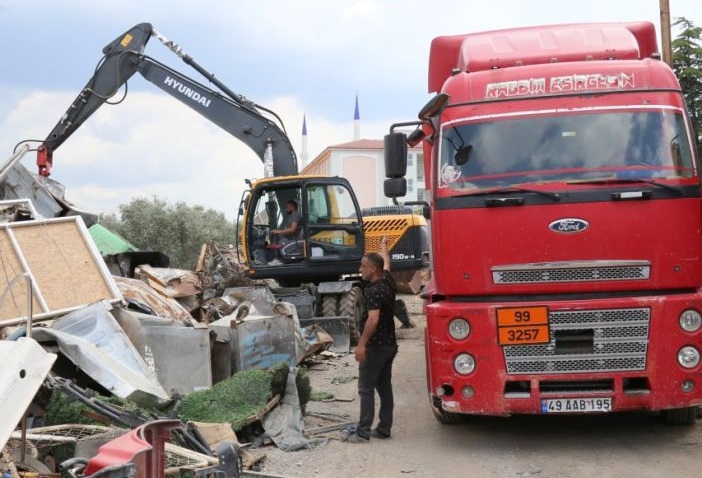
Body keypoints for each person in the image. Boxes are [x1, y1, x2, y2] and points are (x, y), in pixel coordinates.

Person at [346, 237, 398, 443]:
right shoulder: (388, 282)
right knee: (385, 388)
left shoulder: (374, 291)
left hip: (376, 347)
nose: (361, 269)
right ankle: (384, 429)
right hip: (390, 345)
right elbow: (387, 264)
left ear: (373, 269)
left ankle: (362, 432)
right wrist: (384, 249)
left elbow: (373, 319)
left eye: (364, 266)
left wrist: (361, 344)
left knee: (365, 388)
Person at [269, 200, 301, 265]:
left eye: (287, 207)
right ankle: (276, 257)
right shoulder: (289, 216)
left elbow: (292, 230)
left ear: (292, 207)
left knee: (276, 236)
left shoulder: (296, 215)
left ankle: (278, 259)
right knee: (275, 234)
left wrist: (278, 232)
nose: (286, 209)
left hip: (293, 238)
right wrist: (277, 230)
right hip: (290, 236)